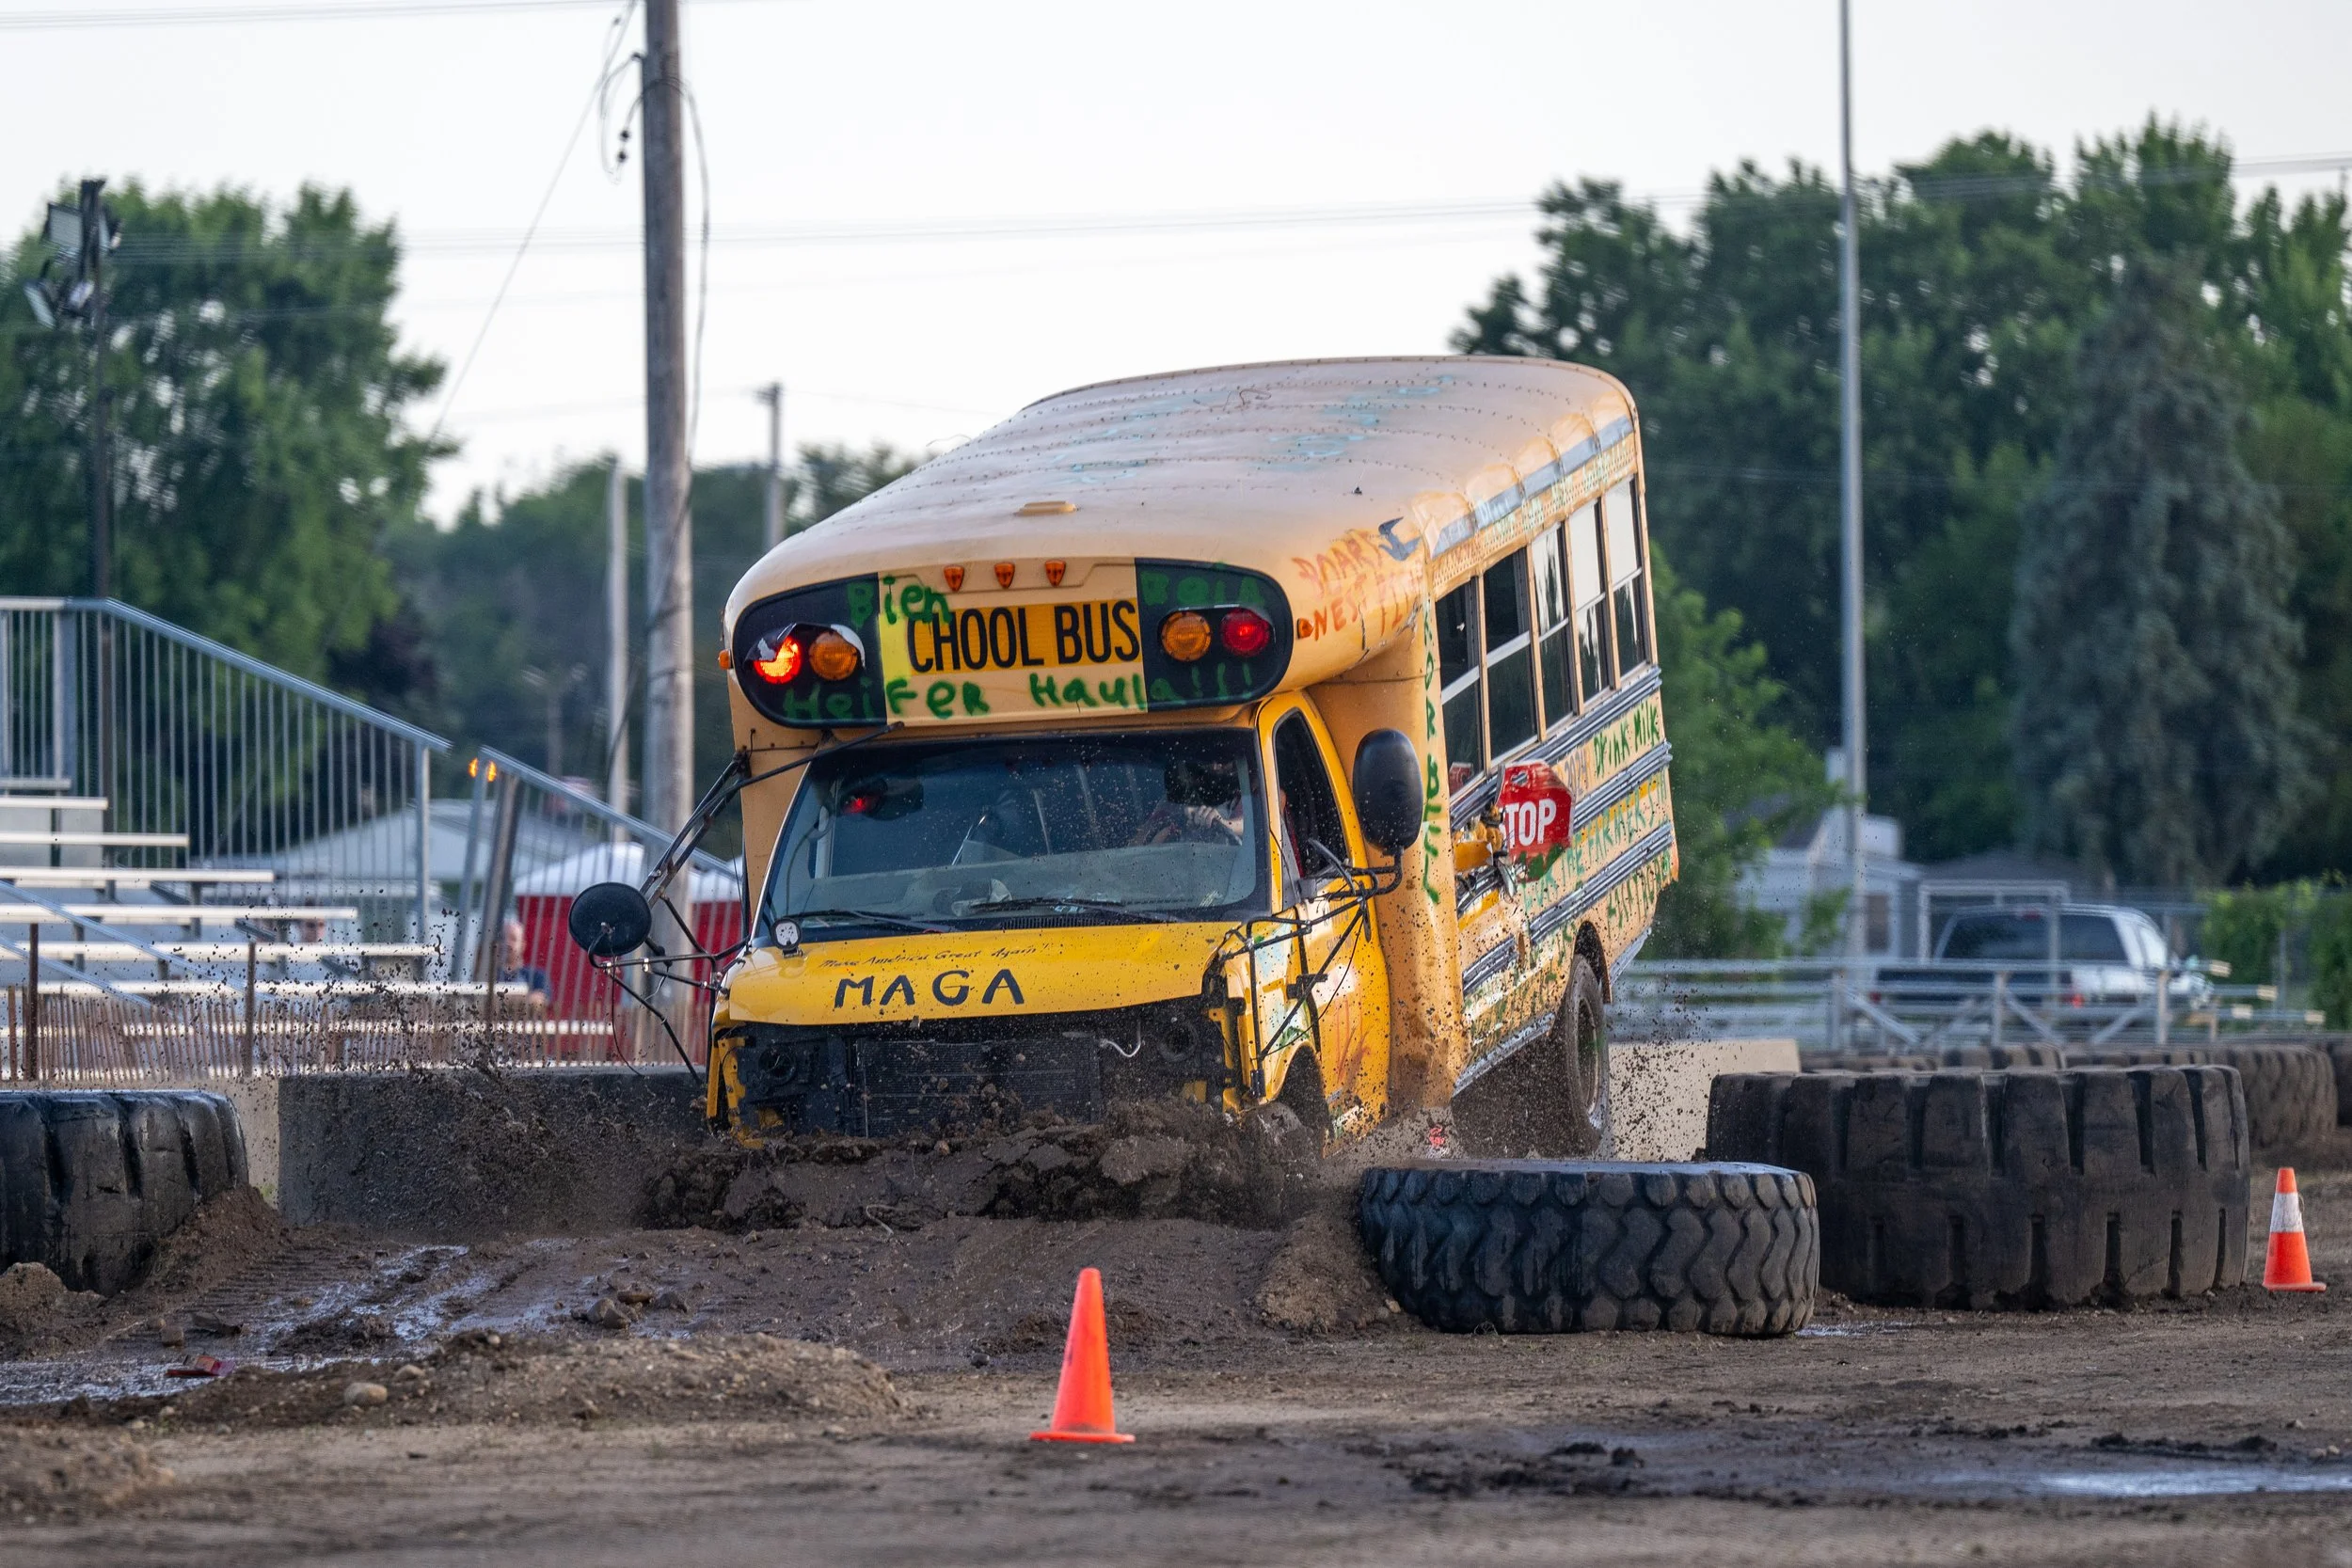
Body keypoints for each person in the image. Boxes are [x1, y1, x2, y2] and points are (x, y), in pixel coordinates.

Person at [499, 917, 552, 1006]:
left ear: (523, 946)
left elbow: (540, 1000)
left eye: (513, 939)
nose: (507, 943)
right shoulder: (488, 975)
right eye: (503, 938)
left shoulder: (537, 976)